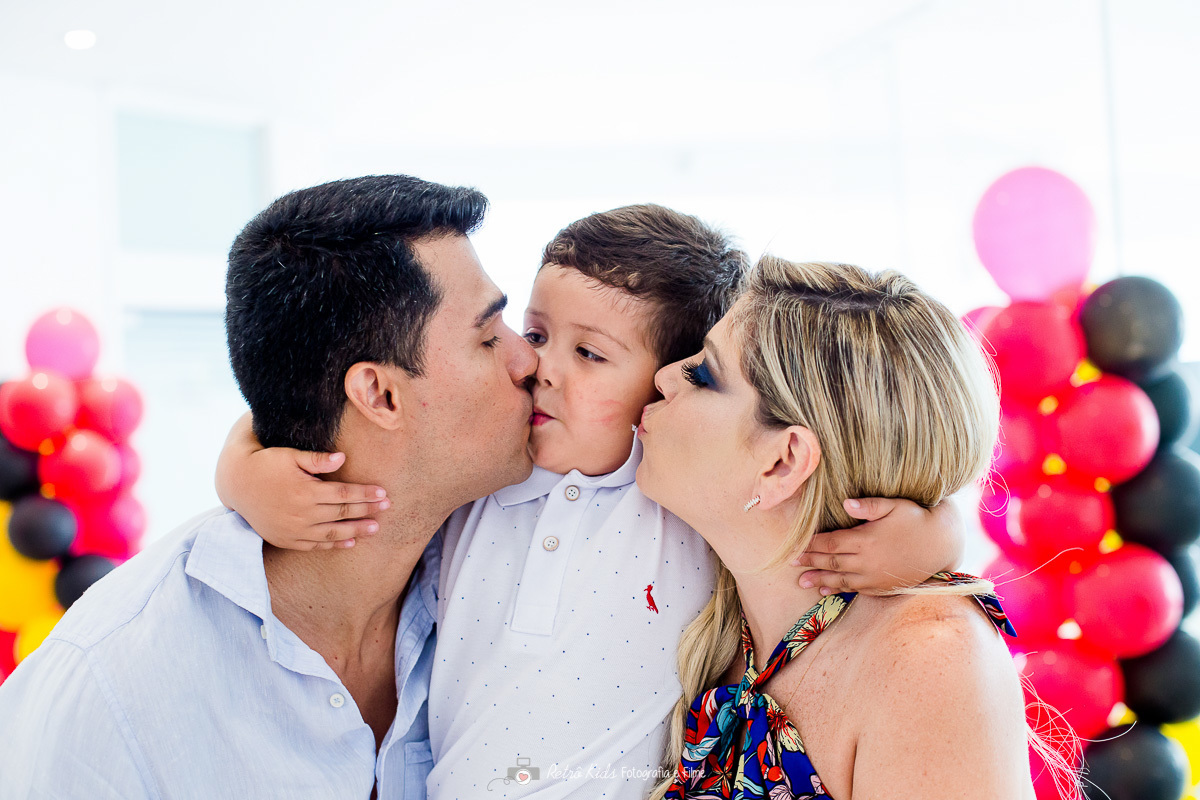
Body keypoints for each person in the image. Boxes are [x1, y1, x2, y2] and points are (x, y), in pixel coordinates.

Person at [216, 207, 970, 798]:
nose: (538, 366)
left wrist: (935, 533)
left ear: (662, 382)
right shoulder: (486, 471)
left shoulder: (674, 493)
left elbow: (814, 494)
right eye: (535, 333)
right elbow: (331, 399)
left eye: (590, 354)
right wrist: (243, 471)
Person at [0, 175, 538, 798]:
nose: (526, 360)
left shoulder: (500, 556)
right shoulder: (108, 691)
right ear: (379, 394)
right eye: (489, 336)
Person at [639, 258, 1040, 799]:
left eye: (704, 375)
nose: (664, 375)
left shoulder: (930, 661)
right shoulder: (703, 594)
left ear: (783, 463)